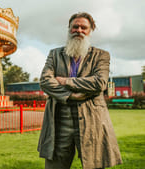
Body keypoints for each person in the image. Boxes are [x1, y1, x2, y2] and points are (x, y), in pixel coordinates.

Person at [37, 12, 122, 169]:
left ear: (91, 31)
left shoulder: (101, 55)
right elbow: (45, 81)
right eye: (75, 27)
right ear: (69, 29)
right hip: (59, 119)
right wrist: (70, 96)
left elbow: (99, 83)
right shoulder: (55, 54)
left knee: (95, 164)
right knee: (55, 165)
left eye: (84, 27)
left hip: (92, 118)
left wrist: (65, 81)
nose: (79, 30)